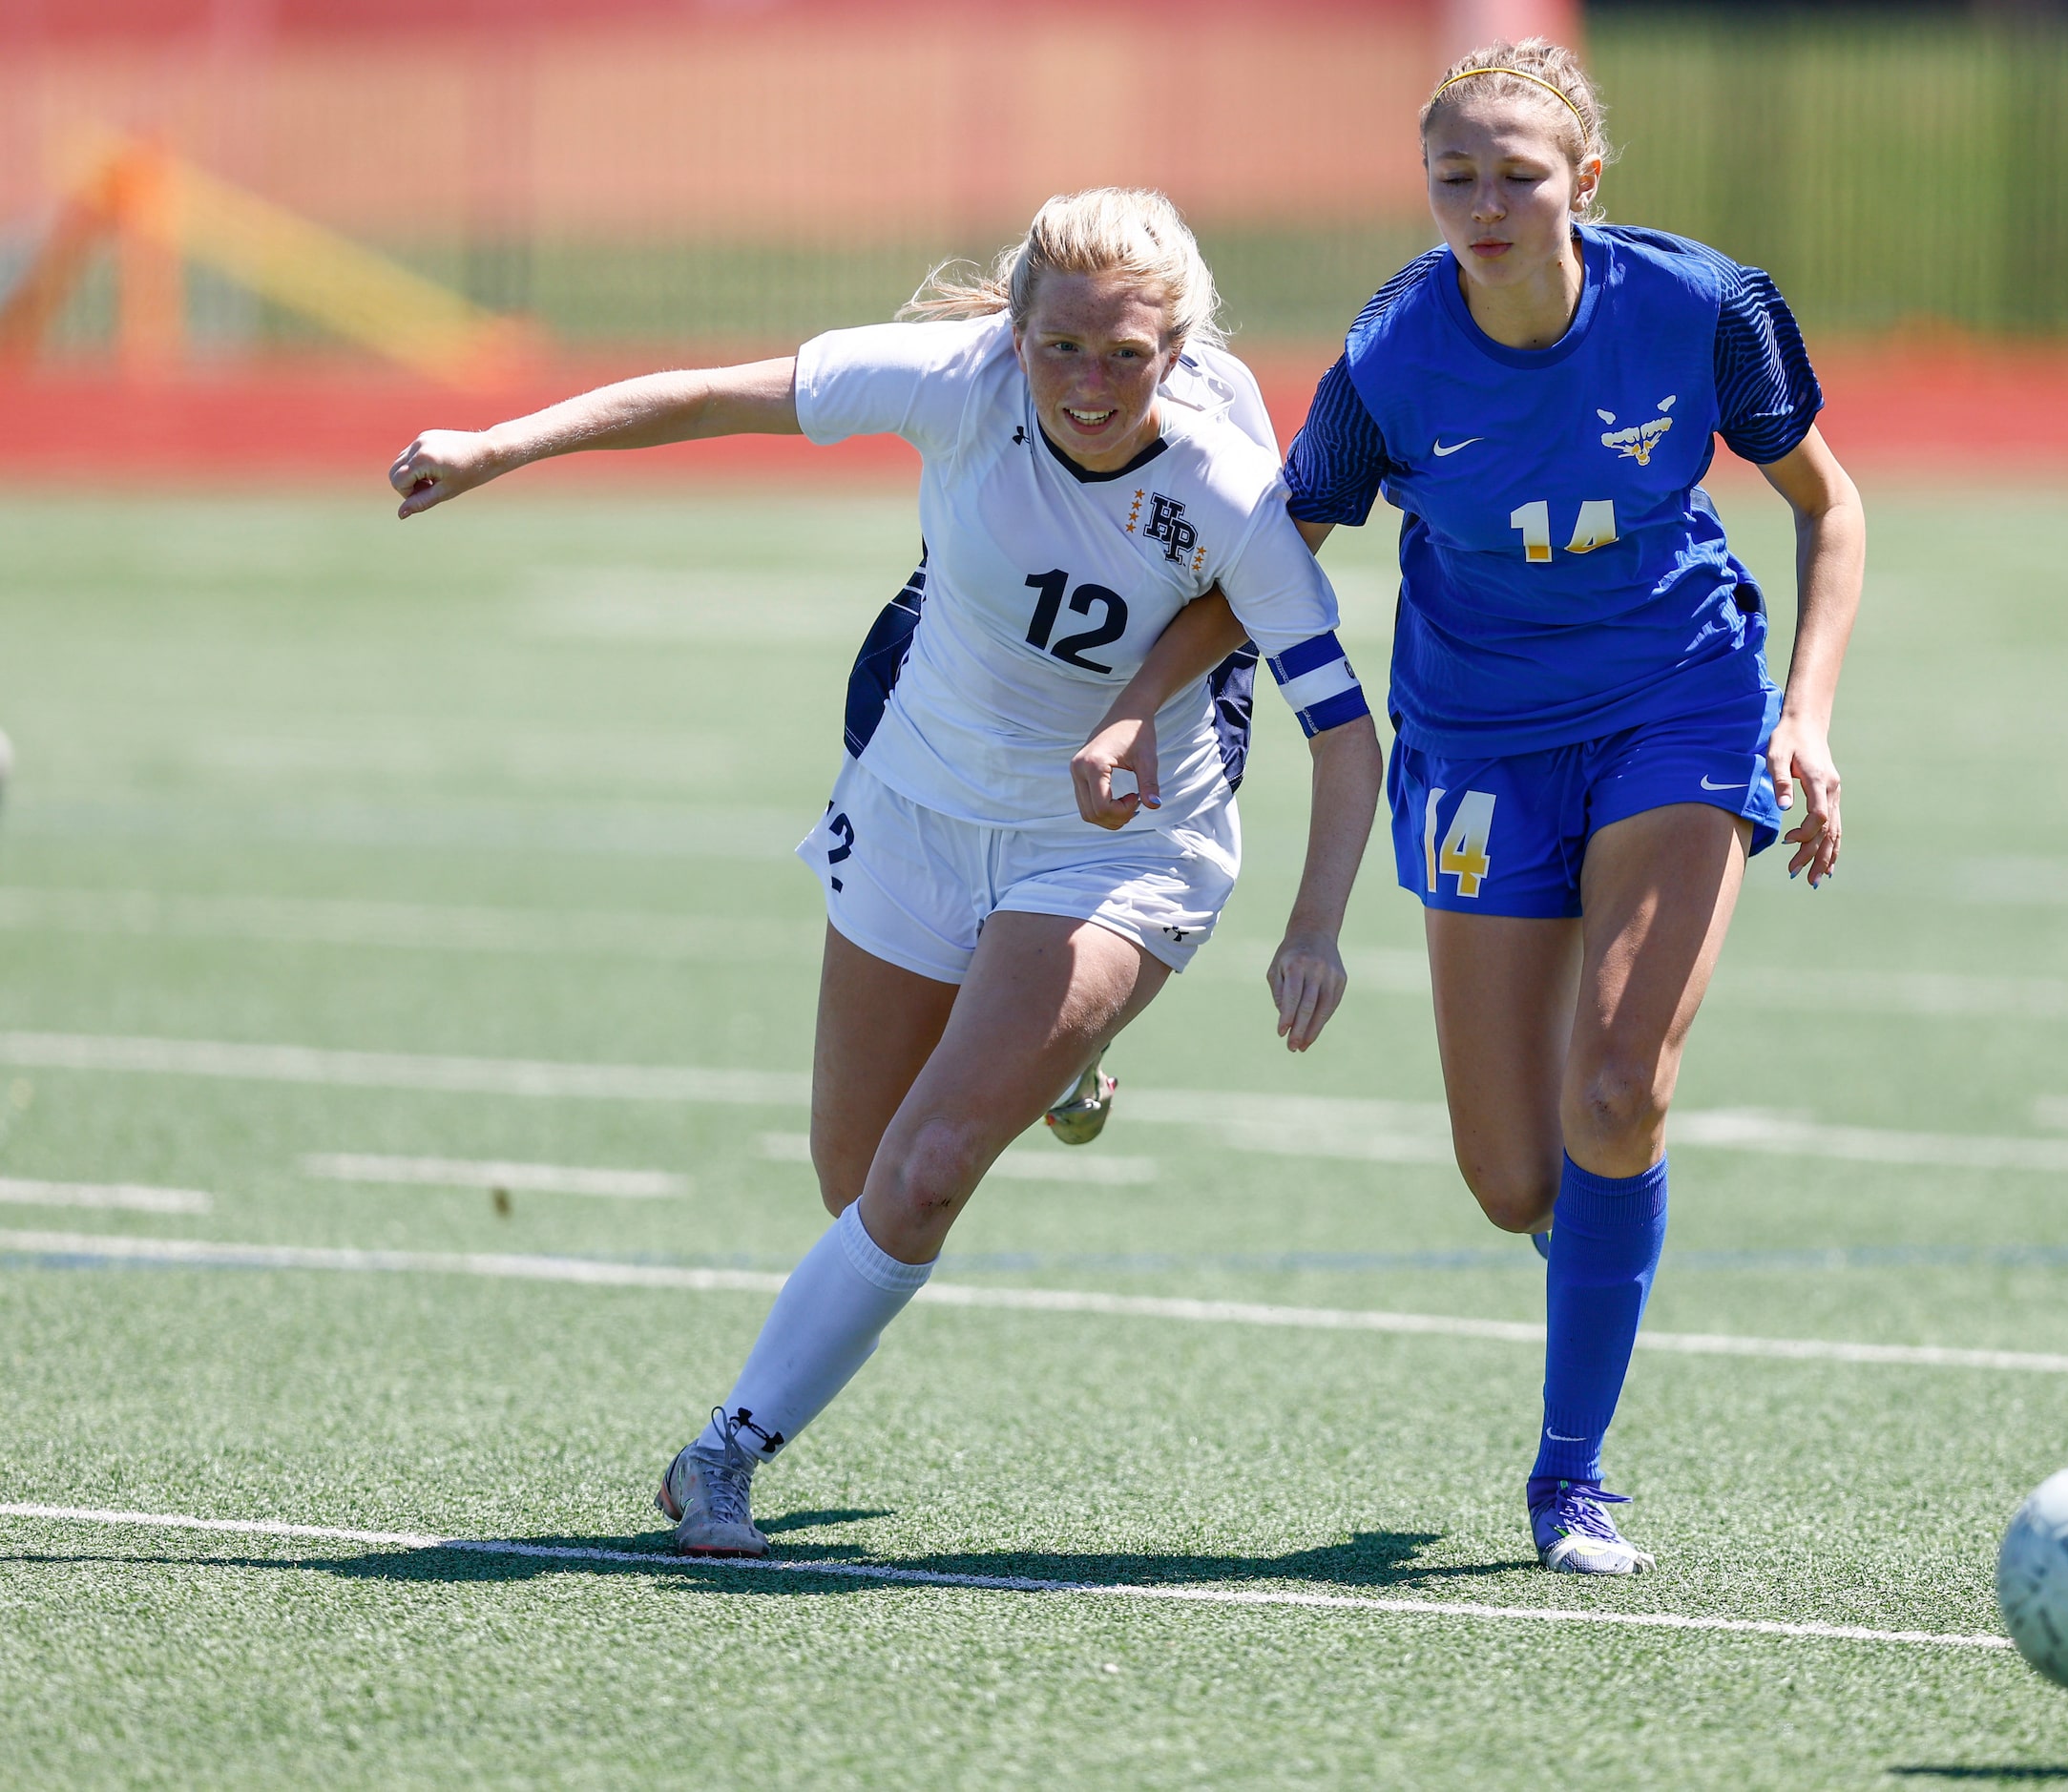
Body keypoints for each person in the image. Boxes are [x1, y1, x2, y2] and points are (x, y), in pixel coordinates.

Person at [387, 188, 1385, 1557]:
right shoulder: (952, 379)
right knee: (853, 1181)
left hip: (1112, 846)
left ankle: (721, 1453)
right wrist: (497, 444)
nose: (1090, 385)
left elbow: (1342, 725)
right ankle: (1055, 1063)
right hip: (919, 796)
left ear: (1180, 344)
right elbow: (704, 395)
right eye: (1061, 348)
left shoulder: (1221, 475)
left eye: (1126, 355)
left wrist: (1314, 926)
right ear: (1013, 327)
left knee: (920, 1176)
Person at [1100, 41, 1864, 1575]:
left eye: (1517, 173)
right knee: (1515, 1175)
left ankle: (1567, 1478)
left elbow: (1827, 509)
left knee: (1616, 1096)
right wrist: (1134, 701)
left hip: (1676, 705)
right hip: (1478, 741)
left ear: (1584, 183)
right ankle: (1588, 1231)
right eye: (1454, 174)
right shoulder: (1389, 357)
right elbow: (1280, 553)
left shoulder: (1702, 308)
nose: (1483, 201)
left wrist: (1807, 716)